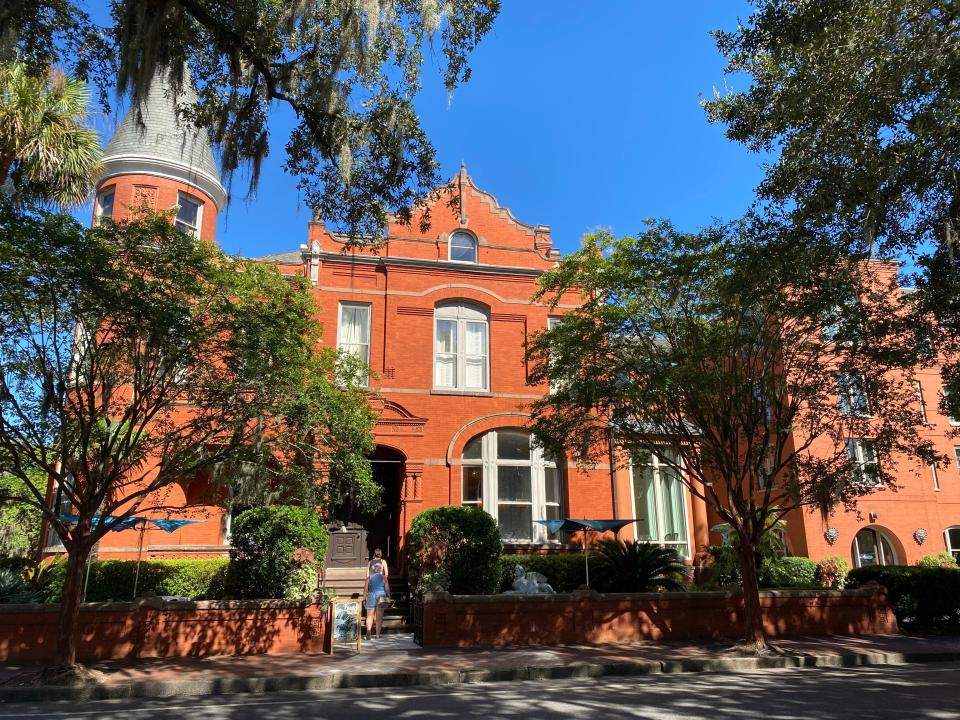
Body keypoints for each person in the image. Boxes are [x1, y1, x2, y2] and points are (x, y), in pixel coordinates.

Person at [362, 549, 390, 640]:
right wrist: (388, 597)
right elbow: (387, 589)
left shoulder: (369, 576)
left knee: (369, 615)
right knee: (379, 616)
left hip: (371, 594)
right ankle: (377, 635)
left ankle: (368, 632)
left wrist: (364, 598)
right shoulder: (384, 577)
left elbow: (365, 589)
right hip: (381, 595)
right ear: (381, 569)